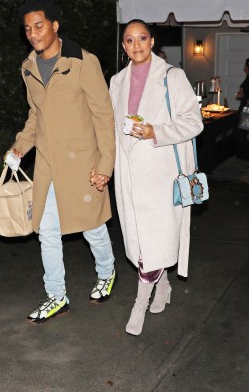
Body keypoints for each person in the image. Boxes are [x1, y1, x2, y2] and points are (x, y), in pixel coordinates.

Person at [5, 0, 116, 324]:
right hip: (49, 165)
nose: (33, 34)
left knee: (92, 227)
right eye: (27, 29)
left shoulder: (83, 62)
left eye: (39, 26)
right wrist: (19, 148)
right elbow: (35, 116)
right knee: (47, 231)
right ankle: (56, 295)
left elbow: (103, 116)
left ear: (55, 25)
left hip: (83, 163)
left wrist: (105, 163)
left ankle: (107, 272)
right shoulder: (28, 68)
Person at [109, 19, 203, 336]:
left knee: (156, 239)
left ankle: (139, 304)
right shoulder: (116, 82)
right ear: (124, 46)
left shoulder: (172, 77)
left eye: (142, 38)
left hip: (161, 175)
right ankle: (162, 287)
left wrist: (155, 132)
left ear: (152, 41)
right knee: (141, 243)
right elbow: (112, 129)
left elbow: (194, 122)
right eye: (129, 40)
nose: (136, 45)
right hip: (128, 177)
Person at [235, 58, 249, 164]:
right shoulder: (247, 78)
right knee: (242, 133)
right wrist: (241, 95)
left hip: (247, 111)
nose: (244, 68)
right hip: (245, 109)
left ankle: (244, 156)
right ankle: (242, 155)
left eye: (245, 65)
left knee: (242, 134)